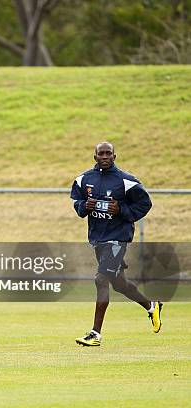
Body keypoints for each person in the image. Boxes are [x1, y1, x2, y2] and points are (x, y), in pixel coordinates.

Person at [72, 142, 160, 347]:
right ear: (94, 157)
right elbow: (78, 206)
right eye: (101, 153)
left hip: (118, 237)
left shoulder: (127, 181)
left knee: (101, 279)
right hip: (97, 238)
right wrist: (86, 205)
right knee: (119, 284)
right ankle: (151, 306)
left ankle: (95, 333)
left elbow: (144, 204)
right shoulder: (83, 179)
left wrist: (121, 209)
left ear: (114, 156)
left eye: (108, 153)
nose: (105, 156)